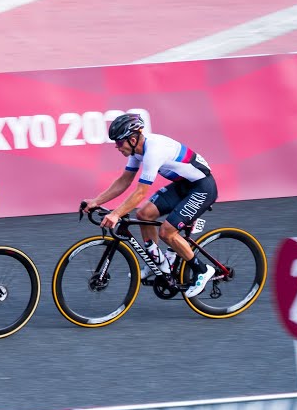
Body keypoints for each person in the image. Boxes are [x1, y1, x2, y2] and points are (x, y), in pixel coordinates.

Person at [81, 113, 217, 299]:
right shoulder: (137, 150)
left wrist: (116, 214)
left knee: (167, 232)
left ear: (132, 139)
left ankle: (202, 270)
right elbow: (124, 181)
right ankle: (159, 263)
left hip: (202, 188)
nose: (117, 147)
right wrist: (96, 201)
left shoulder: (154, 151)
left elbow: (140, 193)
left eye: (119, 142)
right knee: (144, 214)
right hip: (183, 185)